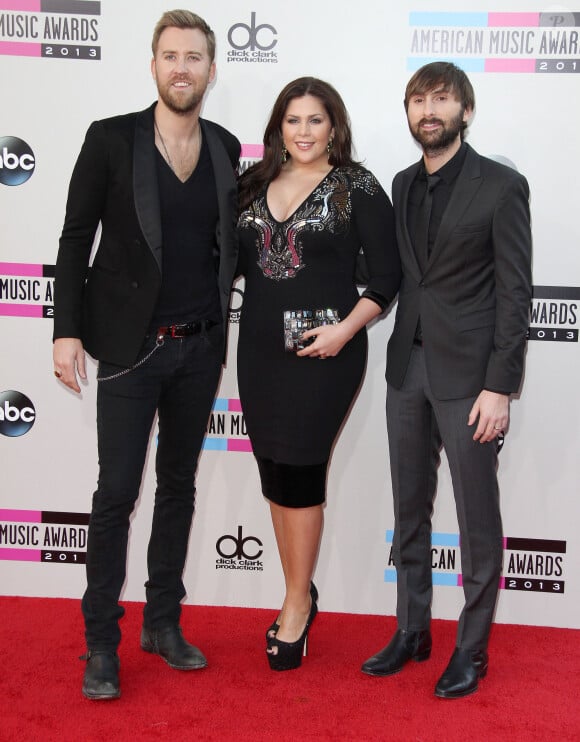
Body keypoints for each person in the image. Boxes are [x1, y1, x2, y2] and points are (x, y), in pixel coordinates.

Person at [52, 10, 240, 700]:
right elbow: (76, 239)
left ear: (212, 71)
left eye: (195, 57)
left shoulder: (224, 147)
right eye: (171, 55)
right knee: (116, 495)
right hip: (131, 354)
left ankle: (163, 623)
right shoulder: (110, 140)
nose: (182, 68)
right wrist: (64, 330)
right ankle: (102, 641)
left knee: (179, 489)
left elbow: (233, 249)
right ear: (154, 65)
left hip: (199, 351)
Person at [362, 62, 532, 698]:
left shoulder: (502, 186)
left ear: (466, 109)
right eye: (418, 100)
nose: (428, 110)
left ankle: (472, 646)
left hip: (471, 381)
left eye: (441, 98)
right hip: (407, 368)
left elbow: (515, 294)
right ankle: (412, 630)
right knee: (410, 508)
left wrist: (501, 384)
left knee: (476, 518)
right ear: (407, 112)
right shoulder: (403, 184)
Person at [237, 77, 401, 671]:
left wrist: (344, 330)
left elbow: (386, 278)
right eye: (292, 120)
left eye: (315, 120)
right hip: (257, 355)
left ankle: (294, 605)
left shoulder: (358, 187)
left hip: (326, 354)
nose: (303, 132)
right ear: (278, 127)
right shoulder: (251, 184)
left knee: (302, 473)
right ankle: (299, 589)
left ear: (335, 126)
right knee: (275, 473)